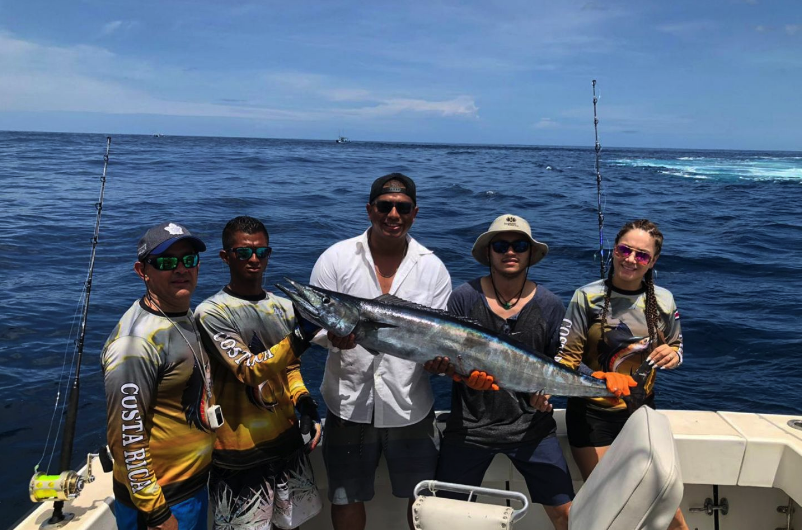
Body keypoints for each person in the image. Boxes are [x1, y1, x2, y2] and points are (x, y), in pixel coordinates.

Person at [309, 173, 451, 530]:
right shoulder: (336, 258)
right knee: (345, 497)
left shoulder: (432, 268)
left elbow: (441, 344)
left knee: (422, 499)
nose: (393, 214)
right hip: (347, 405)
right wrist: (332, 337)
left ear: (414, 213)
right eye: (385, 206)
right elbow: (316, 324)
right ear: (370, 209)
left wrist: (441, 365)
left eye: (402, 208)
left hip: (410, 405)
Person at [425, 214, 574, 530]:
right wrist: (454, 373)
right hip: (469, 429)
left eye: (519, 245)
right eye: (501, 245)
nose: (510, 252)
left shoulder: (550, 304)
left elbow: (558, 364)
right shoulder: (464, 297)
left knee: (568, 514)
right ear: (489, 253)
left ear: (530, 253)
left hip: (532, 429)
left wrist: (544, 396)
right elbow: (448, 360)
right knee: (446, 518)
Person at [557, 218, 688, 530]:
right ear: (614, 251)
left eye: (642, 255)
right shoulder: (585, 297)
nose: (631, 259)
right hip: (591, 416)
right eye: (624, 250)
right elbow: (565, 361)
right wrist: (597, 377)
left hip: (642, 415)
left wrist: (673, 354)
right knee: (611, 505)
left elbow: (677, 347)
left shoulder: (665, 300)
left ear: (653, 261)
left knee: (669, 508)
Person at [194, 216, 323, 530]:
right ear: (226, 257)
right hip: (239, 453)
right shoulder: (211, 312)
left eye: (261, 252)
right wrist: (302, 335)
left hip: (286, 444)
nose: (254, 259)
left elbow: (289, 367)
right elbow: (248, 370)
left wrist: (305, 401)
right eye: (243, 253)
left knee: (288, 526)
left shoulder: (284, 307)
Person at [101, 222, 214, 530]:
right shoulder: (134, 345)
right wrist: (157, 513)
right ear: (142, 271)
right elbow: (127, 439)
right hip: (164, 501)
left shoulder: (182, 314)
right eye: (166, 262)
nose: (180, 269)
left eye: (188, 259)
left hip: (191, 487)